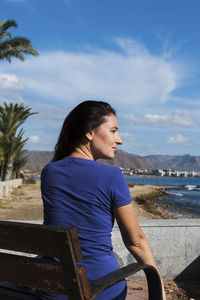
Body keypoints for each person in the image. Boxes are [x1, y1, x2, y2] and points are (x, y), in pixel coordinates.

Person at [36, 100, 166, 300]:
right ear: (89, 132)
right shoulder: (112, 177)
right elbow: (135, 241)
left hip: (51, 288)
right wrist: (159, 290)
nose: (119, 139)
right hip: (99, 289)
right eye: (113, 131)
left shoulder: (49, 172)